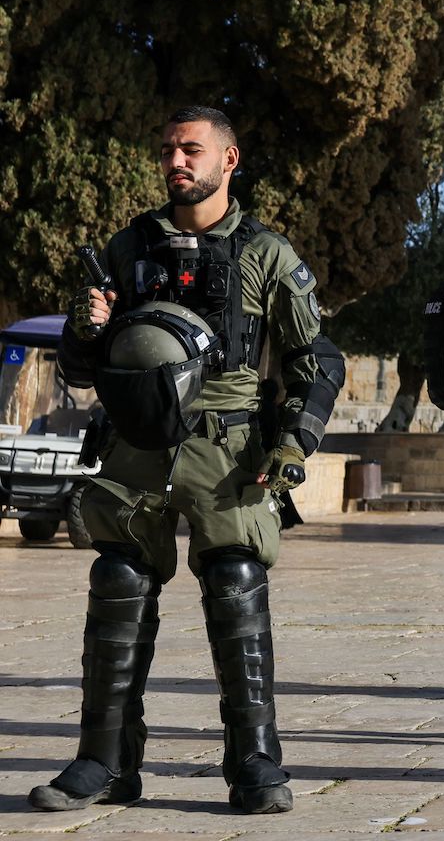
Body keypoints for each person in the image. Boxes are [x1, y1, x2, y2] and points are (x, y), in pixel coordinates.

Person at [35, 107, 345, 814]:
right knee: (117, 581)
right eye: (169, 150)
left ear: (228, 161)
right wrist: (85, 329)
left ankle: (256, 764)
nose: (177, 161)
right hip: (135, 446)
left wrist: (294, 445)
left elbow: (316, 360)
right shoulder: (129, 246)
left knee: (236, 585)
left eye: (191, 150)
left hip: (229, 450)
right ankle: (104, 763)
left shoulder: (267, 253)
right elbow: (85, 368)